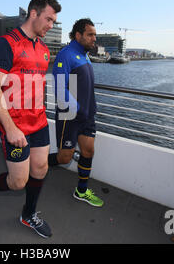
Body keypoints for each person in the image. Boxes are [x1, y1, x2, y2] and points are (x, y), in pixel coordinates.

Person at [0, 0, 61, 238]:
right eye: (48, 19)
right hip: (15, 126)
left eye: (54, 22)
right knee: (18, 182)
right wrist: (11, 128)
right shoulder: (7, 43)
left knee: (41, 168)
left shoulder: (44, 50)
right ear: (33, 13)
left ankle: (28, 214)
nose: (51, 25)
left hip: (39, 122)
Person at [48, 18, 104, 208]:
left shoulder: (85, 54)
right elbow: (59, 87)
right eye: (90, 34)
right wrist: (77, 108)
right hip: (70, 116)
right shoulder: (67, 54)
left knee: (88, 151)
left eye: (95, 34)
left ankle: (81, 190)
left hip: (87, 116)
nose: (93, 38)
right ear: (78, 35)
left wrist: (89, 109)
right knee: (64, 158)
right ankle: (35, 164)